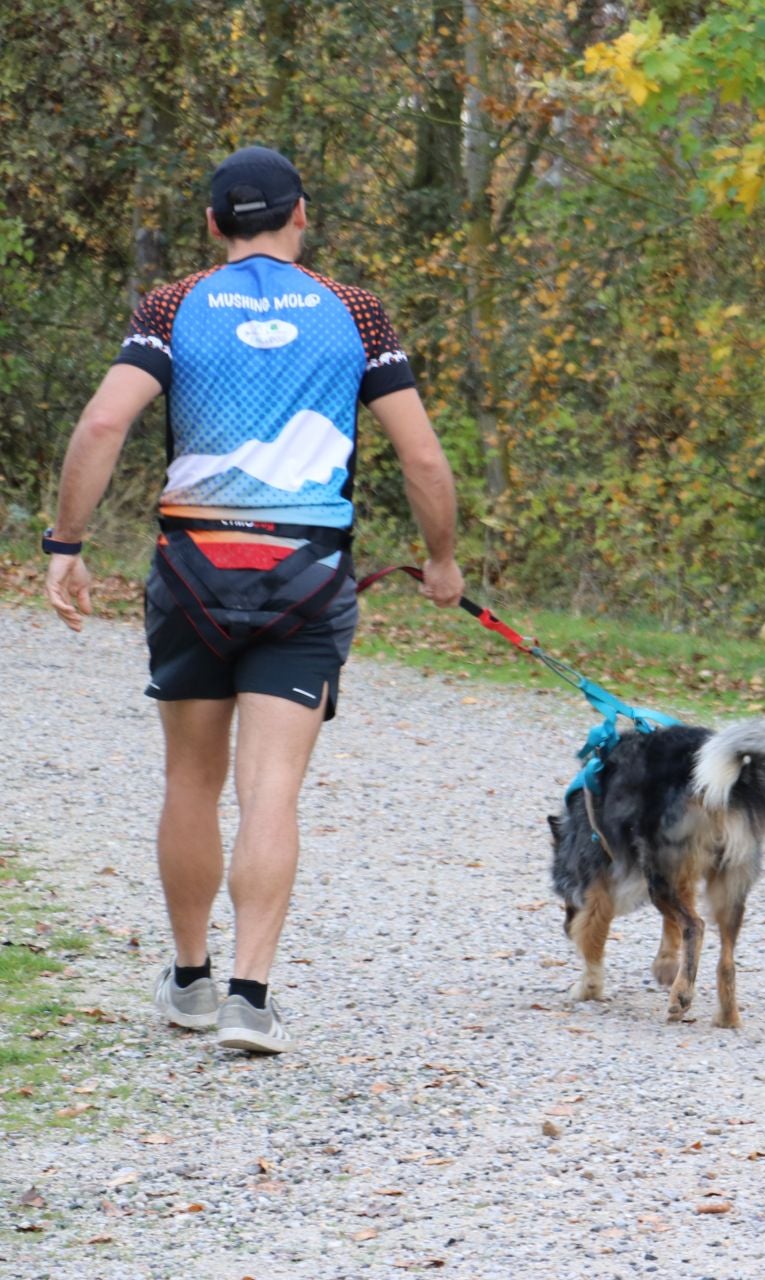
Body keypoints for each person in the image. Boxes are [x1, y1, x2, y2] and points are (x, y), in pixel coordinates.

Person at [42, 146, 464, 1053]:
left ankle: (189, 980)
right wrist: (443, 562)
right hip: (305, 576)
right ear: (301, 214)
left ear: (212, 226)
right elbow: (423, 457)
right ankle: (249, 995)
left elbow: (105, 421)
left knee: (190, 779)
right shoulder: (354, 312)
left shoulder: (172, 305)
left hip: (193, 570)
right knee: (270, 788)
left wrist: (66, 546)